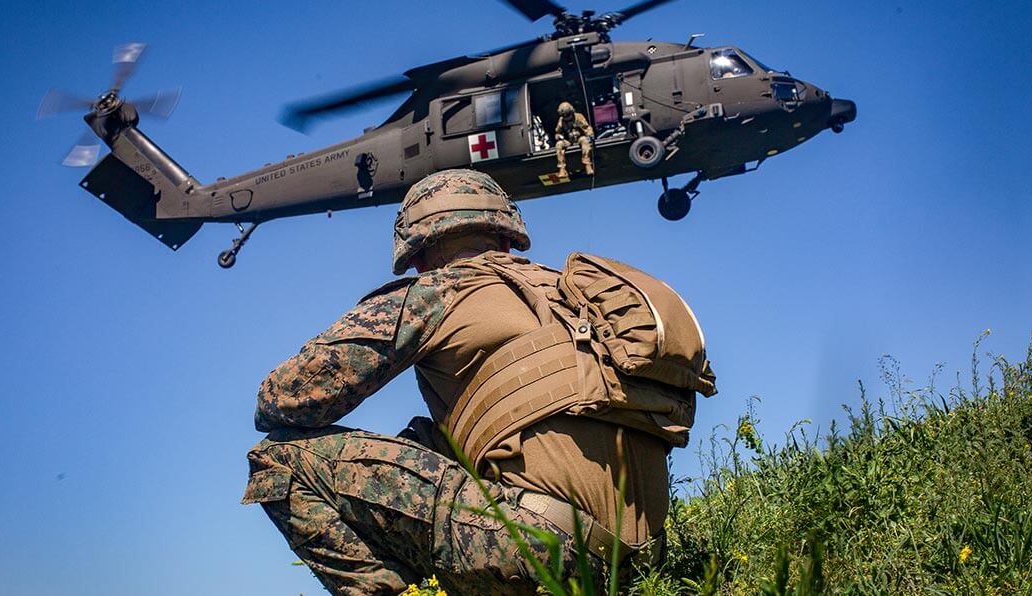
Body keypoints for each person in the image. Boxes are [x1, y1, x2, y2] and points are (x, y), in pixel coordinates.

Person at [243, 169, 706, 595]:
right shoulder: (570, 296)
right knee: (433, 438)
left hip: (545, 552)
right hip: (642, 567)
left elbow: (282, 401)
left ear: (420, 254)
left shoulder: (435, 293)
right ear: (506, 236)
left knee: (278, 460)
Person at [554, 101, 594, 179]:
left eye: (567, 115)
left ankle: (587, 165)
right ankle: (562, 168)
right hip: (568, 140)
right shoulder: (561, 120)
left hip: (579, 138)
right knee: (559, 145)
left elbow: (587, 127)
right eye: (564, 115)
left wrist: (590, 135)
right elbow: (557, 132)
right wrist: (559, 136)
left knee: (585, 141)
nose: (566, 117)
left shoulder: (578, 117)